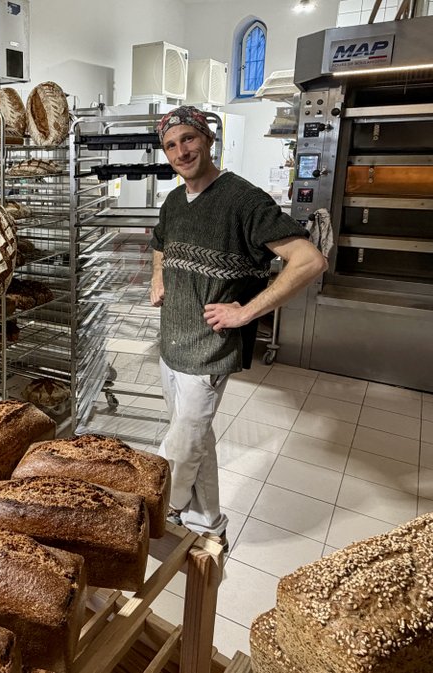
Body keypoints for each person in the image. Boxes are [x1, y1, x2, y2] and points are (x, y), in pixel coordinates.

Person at [149, 106, 328, 548]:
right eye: (171, 145)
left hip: (209, 347)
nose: (180, 151)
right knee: (195, 437)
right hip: (172, 342)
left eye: (188, 139)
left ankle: (156, 511)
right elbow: (159, 243)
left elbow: (309, 261)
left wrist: (245, 313)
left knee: (183, 443)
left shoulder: (244, 200)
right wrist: (158, 276)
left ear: (208, 139)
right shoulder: (174, 201)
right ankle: (208, 523)